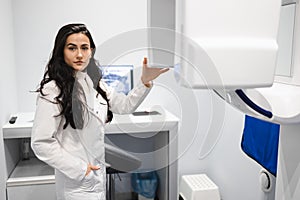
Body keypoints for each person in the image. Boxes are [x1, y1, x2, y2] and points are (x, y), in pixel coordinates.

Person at [31, 23, 169, 200]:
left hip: (96, 177)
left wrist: (145, 82)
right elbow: (41, 143)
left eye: (84, 48)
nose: (79, 54)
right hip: (76, 182)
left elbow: (124, 105)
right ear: (61, 51)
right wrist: (81, 169)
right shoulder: (53, 90)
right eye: (72, 48)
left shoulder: (94, 83)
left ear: (91, 51)